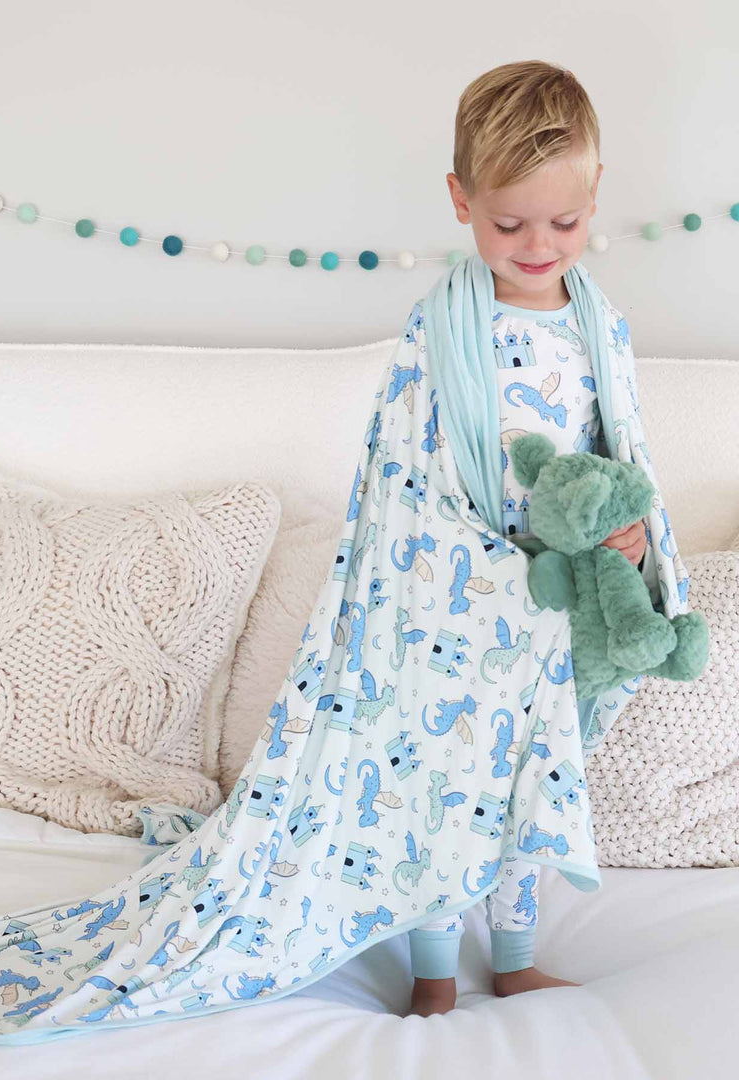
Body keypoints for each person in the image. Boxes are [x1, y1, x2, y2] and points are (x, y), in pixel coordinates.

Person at [406, 60, 648, 1018]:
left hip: (557, 604)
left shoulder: (599, 326)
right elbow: (404, 473)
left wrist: (627, 537)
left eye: (565, 221)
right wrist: (469, 561)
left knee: (533, 783)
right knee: (447, 783)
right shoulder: (441, 328)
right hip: (459, 598)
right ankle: (433, 975)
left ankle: (512, 956)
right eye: (509, 225)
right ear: (462, 200)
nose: (538, 246)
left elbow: (617, 455)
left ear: (596, 196)